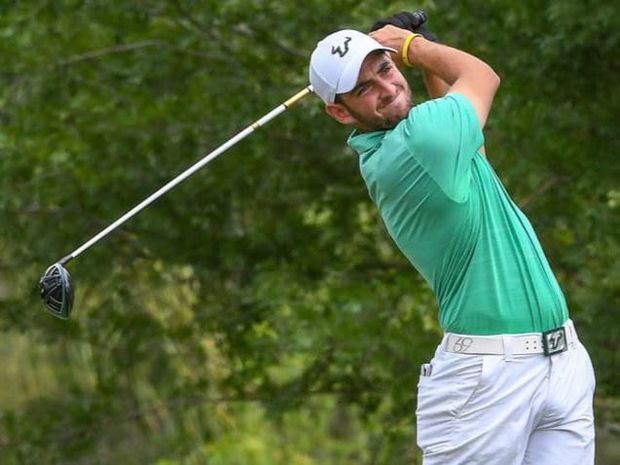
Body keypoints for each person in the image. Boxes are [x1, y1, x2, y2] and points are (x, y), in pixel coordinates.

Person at [308, 11, 595, 465]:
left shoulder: (426, 141)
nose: (386, 88)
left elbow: (472, 143)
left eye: (385, 69)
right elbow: (482, 75)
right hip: (487, 381)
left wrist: (422, 63)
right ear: (341, 112)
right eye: (364, 89)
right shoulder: (412, 147)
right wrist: (410, 47)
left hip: (560, 363)